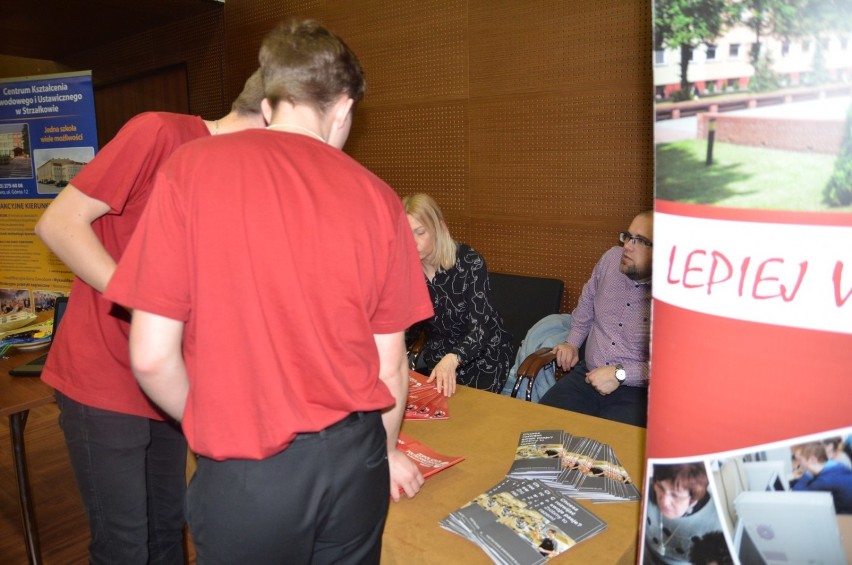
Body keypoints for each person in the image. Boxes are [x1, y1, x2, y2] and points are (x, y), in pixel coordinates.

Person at [104, 18, 433, 564]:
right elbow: (390, 367)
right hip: (356, 462)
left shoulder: (189, 168)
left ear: (268, 101)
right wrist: (385, 450)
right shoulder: (377, 198)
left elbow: (150, 357)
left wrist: (210, 419)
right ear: (343, 109)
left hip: (247, 470)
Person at [33, 70, 267, 564]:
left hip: (168, 380)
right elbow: (58, 223)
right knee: (124, 547)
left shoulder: (243, 179)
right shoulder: (160, 132)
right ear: (271, 112)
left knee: (167, 534)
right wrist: (147, 302)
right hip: (103, 378)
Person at [539, 211, 653, 427]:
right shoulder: (610, 259)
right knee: (539, 427)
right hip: (587, 377)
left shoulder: (674, 299)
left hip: (635, 393)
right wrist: (572, 342)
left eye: (639, 241)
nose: (627, 246)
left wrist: (621, 374)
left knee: (613, 451)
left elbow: (673, 368)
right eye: (627, 237)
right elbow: (586, 307)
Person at [403, 193, 513, 396]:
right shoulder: (406, 270)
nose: (413, 242)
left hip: (484, 356)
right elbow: (408, 327)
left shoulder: (469, 262)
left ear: (440, 228)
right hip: (439, 358)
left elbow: (481, 328)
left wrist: (453, 358)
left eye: (420, 232)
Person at [643, 463, 731, 565]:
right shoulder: (647, 490)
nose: (664, 502)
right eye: (660, 487)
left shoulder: (717, 523)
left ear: (693, 499)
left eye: (675, 495)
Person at [791, 441, 852, 513]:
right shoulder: (838, 466)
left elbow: (797, 494)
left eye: (799, 460)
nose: (798, 463)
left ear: (812, 460)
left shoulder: (824, 481)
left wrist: (808, 473)